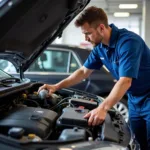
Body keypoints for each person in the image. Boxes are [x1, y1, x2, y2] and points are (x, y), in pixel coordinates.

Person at [38, 6, 150, 150]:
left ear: (101, 28)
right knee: (139, 142)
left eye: (88, 33)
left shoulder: (128, 43)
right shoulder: (100, 48)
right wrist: (56, 86)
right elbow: (83, 71)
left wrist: (103, 108)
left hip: (148, 96)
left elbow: (125, 80)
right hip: (135, 101)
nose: (85, 38)